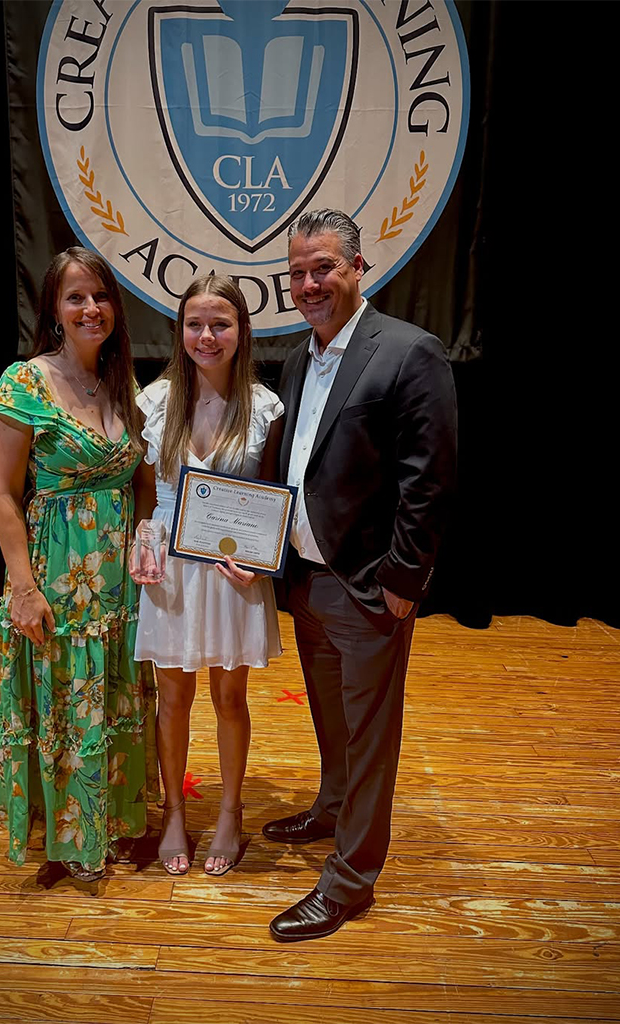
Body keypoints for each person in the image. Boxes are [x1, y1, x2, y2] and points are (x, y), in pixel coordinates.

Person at [262, 210, 457, 941]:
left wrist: (405, 578)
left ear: (356, 268)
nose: (309, 284)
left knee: (371, 732)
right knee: (331, 717)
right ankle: (331, 808)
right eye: (299, 272)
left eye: (324, 269)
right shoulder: (293, 356)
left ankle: (349, 881)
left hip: (370, 584)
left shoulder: (411, 353)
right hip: (308, 577)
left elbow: (429, 481)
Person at [0, 247, 158, 882]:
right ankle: (70, 831)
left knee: (112, 693)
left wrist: (145, 535)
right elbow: (4, 495)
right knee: (64, 696)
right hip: (56, 575)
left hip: (119, 581)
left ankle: (111, 820)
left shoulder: (122, 382)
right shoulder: (23, 382)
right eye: (76, 297)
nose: (91, 309)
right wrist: (24, 589)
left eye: (101, 297)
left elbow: (143, 478)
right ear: (55, 310)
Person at [131, 275, 283, 877]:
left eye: (220, 323)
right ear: (180, 330)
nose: (207, 335)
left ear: (242, 330)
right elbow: (144, 496)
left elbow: (272, 498)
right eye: (195, 323)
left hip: (233, 573)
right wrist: (142, 540)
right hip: (169, 568)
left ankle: (230, 814)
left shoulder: (266, 407)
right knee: (172, 698)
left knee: (229, 695)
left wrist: (261, 558)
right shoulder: (156, 402)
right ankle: (174, 815)